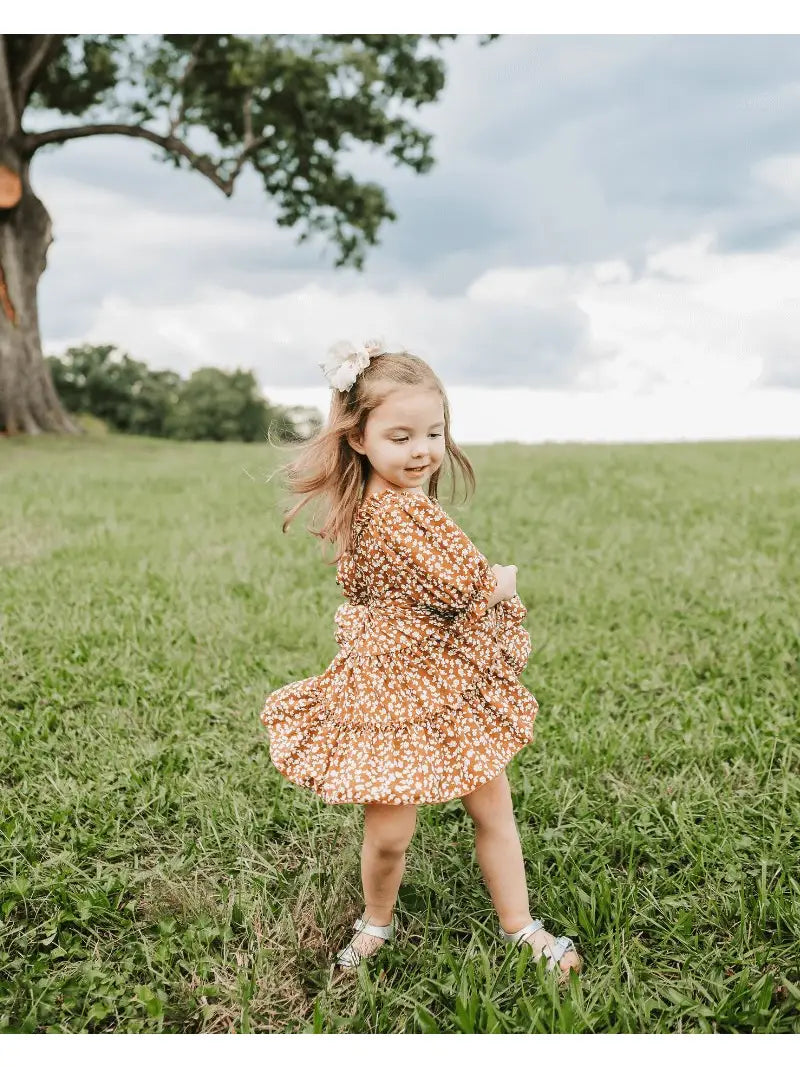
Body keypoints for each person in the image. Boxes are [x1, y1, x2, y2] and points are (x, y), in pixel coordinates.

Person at [259, 338, 582, 986]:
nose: (422, 450)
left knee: (491, 803)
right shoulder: (388, 512)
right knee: (391, 828)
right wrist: (502, 581)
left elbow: (444, 589)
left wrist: (477, 588)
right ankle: (377, 920)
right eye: (401, 435)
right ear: (358, 437)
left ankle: (518, 922)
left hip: (442, 674)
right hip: (388, 684)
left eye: (433, 432)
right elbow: (467, 586)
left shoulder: (404, 499)